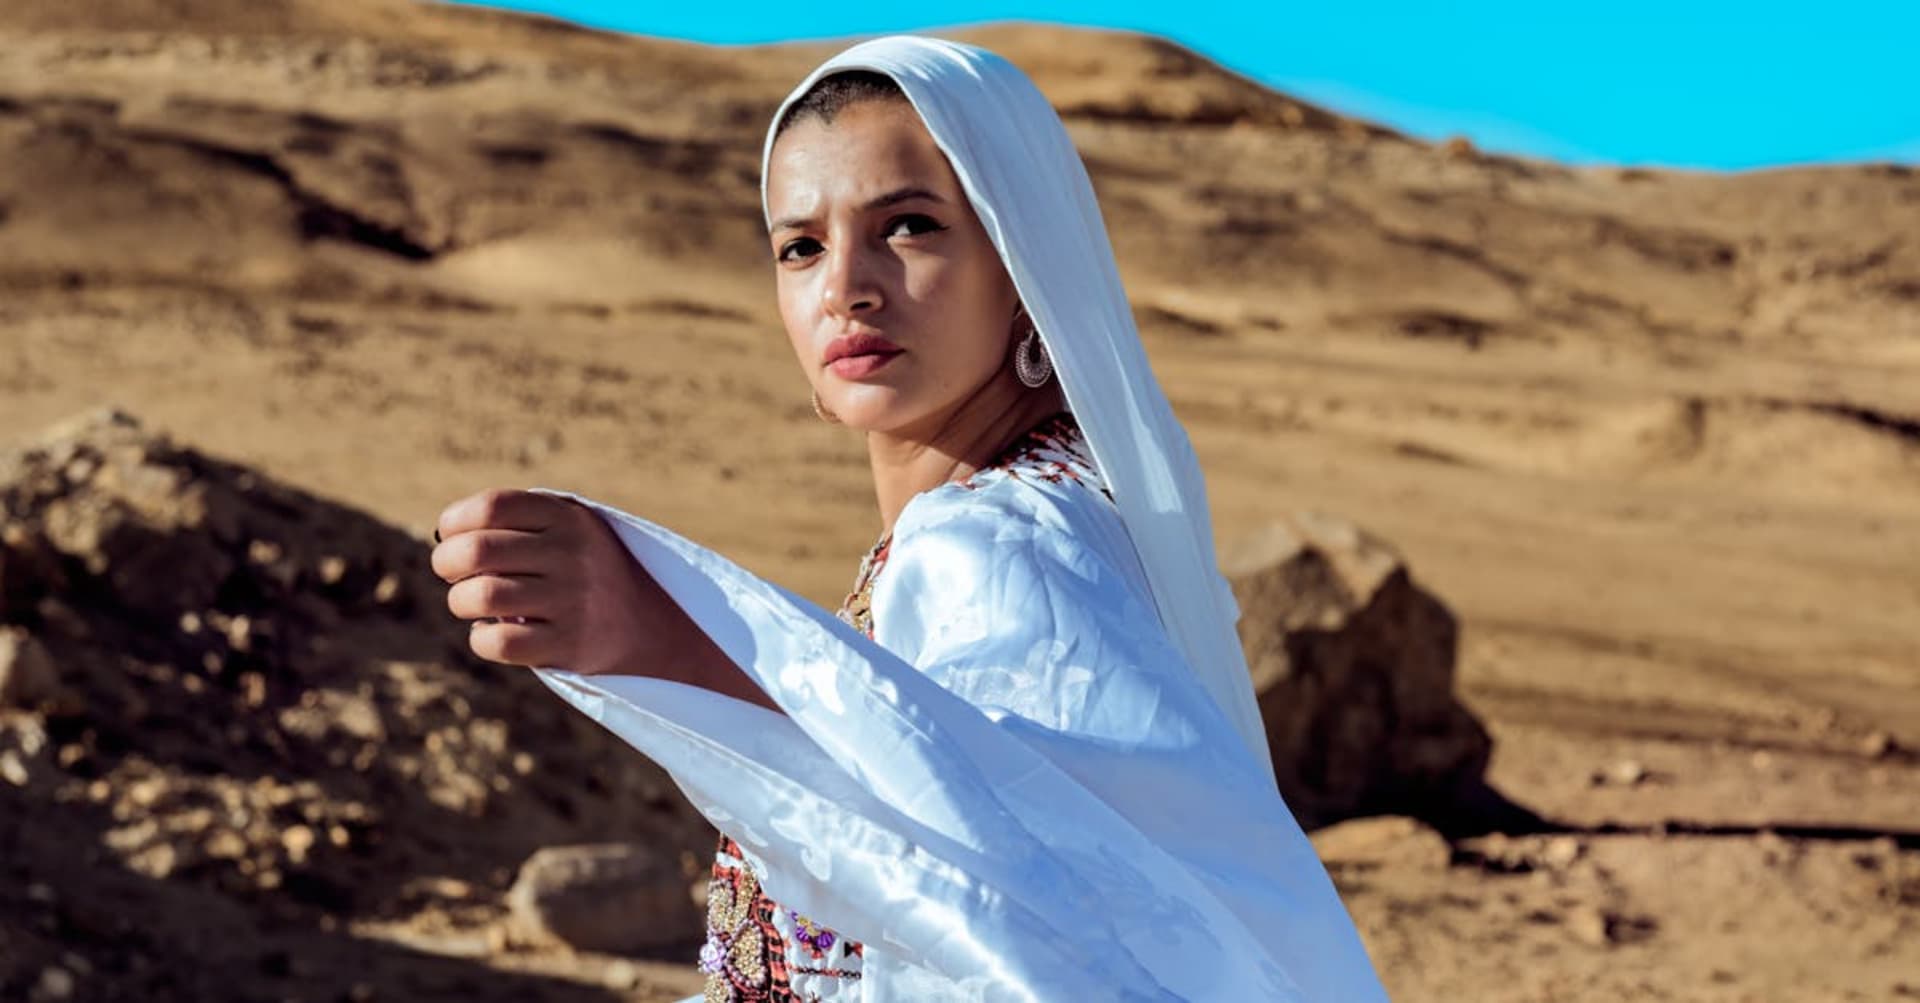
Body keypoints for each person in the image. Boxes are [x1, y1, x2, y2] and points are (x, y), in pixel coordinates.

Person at [431, 34, 1389, 1002]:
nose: (845, 286)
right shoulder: (1042, 503)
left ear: (1022, 263)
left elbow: (1003, 919)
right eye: (801, 247)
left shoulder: (996, 545)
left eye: (908, 226)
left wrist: (662, 636)